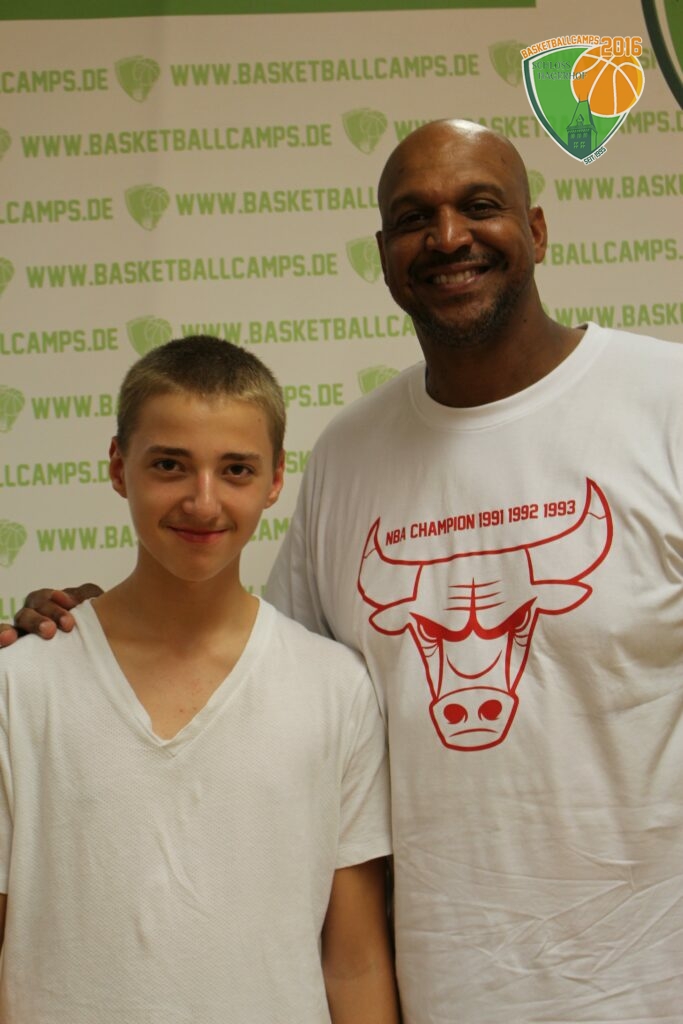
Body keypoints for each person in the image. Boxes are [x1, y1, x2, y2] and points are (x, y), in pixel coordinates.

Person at [4, 119, 683, 1021]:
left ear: (537, 229)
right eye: (413, 218)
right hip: (445, 990)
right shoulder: (351, 453)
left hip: (651, 982)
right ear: (384, 252)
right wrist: (94, 634)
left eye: (479, 206)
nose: (447, 237)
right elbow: (254, 679)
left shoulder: (665, 402)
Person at [0, 336, 399, 1023]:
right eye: (170, 465)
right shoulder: (20, 686)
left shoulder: (338, 690)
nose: (203, 501)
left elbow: (354, 962)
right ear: (119, 467)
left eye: (236, 469)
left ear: (275, 479)